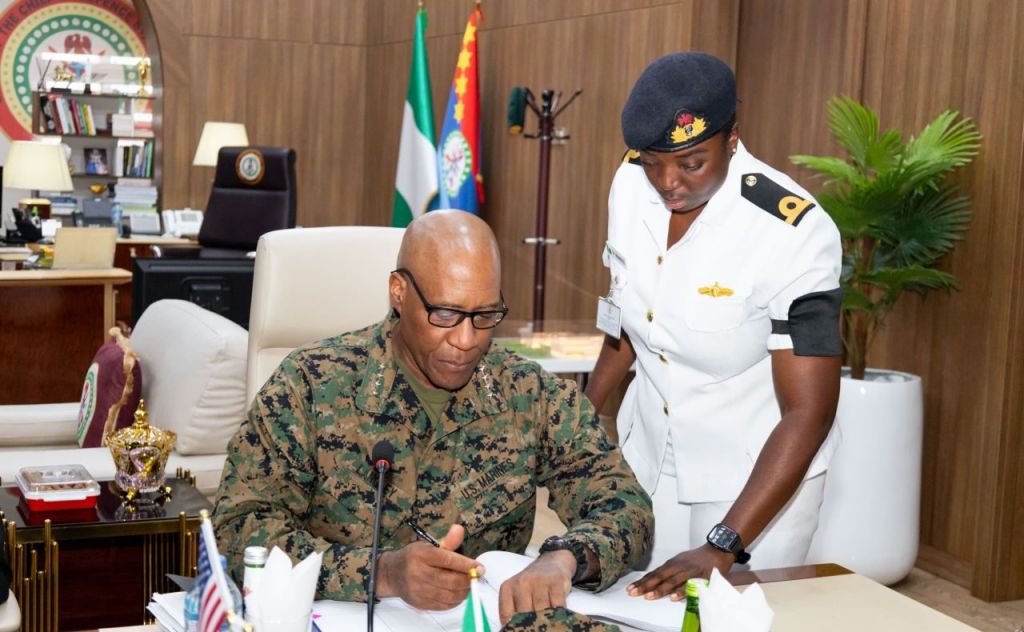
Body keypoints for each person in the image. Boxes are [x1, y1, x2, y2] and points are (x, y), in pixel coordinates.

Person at [213, 210, 653, 625]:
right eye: (445, 314)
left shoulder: (529, 394)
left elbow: (626, 505)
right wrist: (381, 573)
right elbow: (238, 529)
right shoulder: (309, 386)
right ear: (399, 293)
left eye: (485, 315)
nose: (466, 340)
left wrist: (565, 558)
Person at [583, 52, 843, 601]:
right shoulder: (631, 186)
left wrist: (723, 544)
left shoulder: (792, 230)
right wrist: (578, 424)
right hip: (648, 453)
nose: (667, 182)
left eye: (691, 163)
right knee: (632, 606)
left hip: (753, 478)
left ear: (732, 139)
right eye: (653, 161)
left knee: (731, 617)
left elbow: (809, 412)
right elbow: (627, 319)